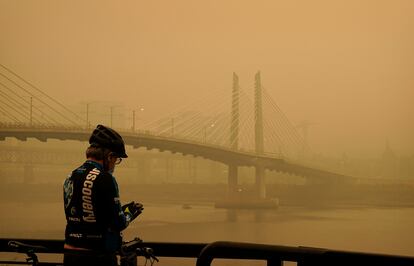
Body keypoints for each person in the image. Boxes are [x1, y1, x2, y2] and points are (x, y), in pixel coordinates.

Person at [63, 124, 143, 266]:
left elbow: (87, 213)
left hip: (70, 252)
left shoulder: (71, 176)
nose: (114, 164)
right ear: (109, 156)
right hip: (97, 256)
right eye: (116, 159)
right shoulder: (105, 178)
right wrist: (130, 213)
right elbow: (118, 223)